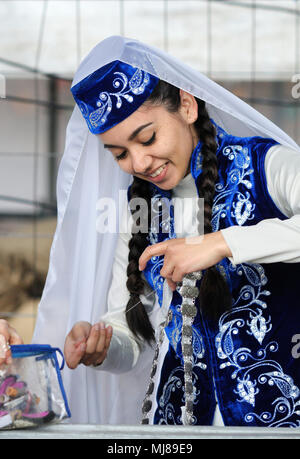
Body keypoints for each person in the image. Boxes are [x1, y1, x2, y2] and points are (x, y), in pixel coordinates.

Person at [2, 35, 300, 427]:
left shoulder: (269, 166)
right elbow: (132, 330)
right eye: (120, 154)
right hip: (171, 429)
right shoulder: (141, 208)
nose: (139, 162)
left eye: (147, 138)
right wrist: (103, 346)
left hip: (277, 423)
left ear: (188, 106)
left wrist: (222, 243)